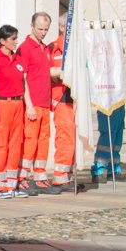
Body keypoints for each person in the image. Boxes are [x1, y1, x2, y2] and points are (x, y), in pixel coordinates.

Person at [16, 12, 62, 195]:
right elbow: (23, 77)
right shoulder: (25, 48)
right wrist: (29, 105)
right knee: (30, 141)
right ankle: (23, 177)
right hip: (33, 103)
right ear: (32, 26)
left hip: (43, 102)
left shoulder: (44, 48)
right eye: (40, 29)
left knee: (44, 140)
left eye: (46, 30)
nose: (43, 33)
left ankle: (40, 176)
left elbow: (45, 72)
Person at [0, 25, 28, 198]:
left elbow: (24, 84)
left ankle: (12, 184)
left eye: (16, 38)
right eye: (12, 39)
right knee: (1, 142)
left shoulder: (18, 59)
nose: (15, 42)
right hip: (1, 104)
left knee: (15, 143)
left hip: (18, 104)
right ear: (3, 41)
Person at [48, 10, 75, 189]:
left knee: (75, 138)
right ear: (62, 27)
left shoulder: (79, 48)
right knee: (65, 135)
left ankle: (69, 173)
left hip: (77, 95)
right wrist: (63, 73)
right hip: (62, 97)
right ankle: (60, 175)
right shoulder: (53, 48)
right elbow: (48, 72)